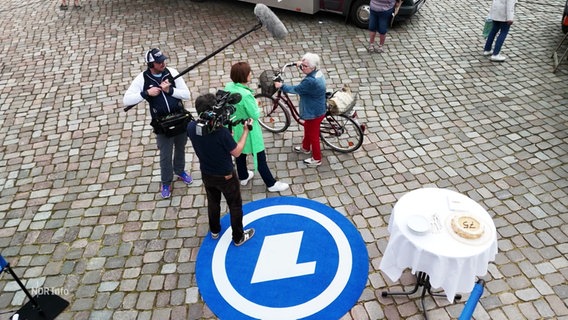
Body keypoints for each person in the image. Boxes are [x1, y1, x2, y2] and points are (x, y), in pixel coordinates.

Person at [123, 48, 193, 199]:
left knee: (180, 147)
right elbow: (126, 100)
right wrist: (146, 93)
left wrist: (170, 90)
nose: (163, 63)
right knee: (165, 155)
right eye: (159, 61)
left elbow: (187, 95)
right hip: (162, 124)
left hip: (179, 119)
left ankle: (180, 171)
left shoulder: (172, 72)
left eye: (163, 60)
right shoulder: (142, 79)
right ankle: (166, 182)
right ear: (150, 64)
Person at [187, 93, 255, 246]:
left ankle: (215, 229)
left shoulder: (191, 127)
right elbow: (237, 152)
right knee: (235, 205)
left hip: (207, 173)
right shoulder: (221, 133)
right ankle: (238, 237)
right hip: (226, 176)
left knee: (213, 201)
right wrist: (245, 131)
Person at [224, 62, 290, 192]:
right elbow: (254, 115)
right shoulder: (246, 95)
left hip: (234, 127)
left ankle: (243, 176)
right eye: (249, 73)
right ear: (244, 76)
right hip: (248, 128)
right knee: (259, 155)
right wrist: (256, 105)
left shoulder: (229, 86)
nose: (251, 75)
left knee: (240, 152)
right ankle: (271, 184)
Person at [274, 53, 326, 167]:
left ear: (312, 67)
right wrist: (301, 64)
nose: (302, 67)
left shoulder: (310, 81)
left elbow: (296, 89)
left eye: (305, 66)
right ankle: (305, 147)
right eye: (302, 64)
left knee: (313, 135)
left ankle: (317, 159)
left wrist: (281, 86)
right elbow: (306, 66)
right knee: (308, 127)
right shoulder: (318, 72)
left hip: (314, 111)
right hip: (318, 106)